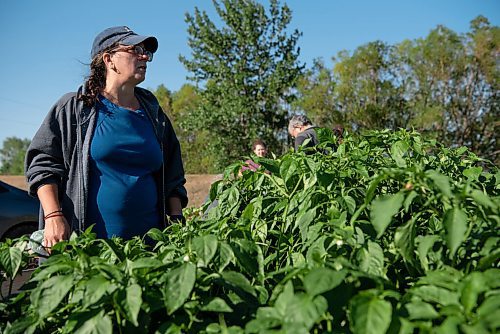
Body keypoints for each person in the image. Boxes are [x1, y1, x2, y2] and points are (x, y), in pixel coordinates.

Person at [25, 26, 188, 250]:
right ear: (109, 59)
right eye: (135, 49)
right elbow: (42, 164)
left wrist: (177, 220)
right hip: (90, 247)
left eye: (146, 52)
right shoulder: (75, 108)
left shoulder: (153, 113)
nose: (144, 57)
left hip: (150, 249)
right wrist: (53, 216)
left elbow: (172, 174)